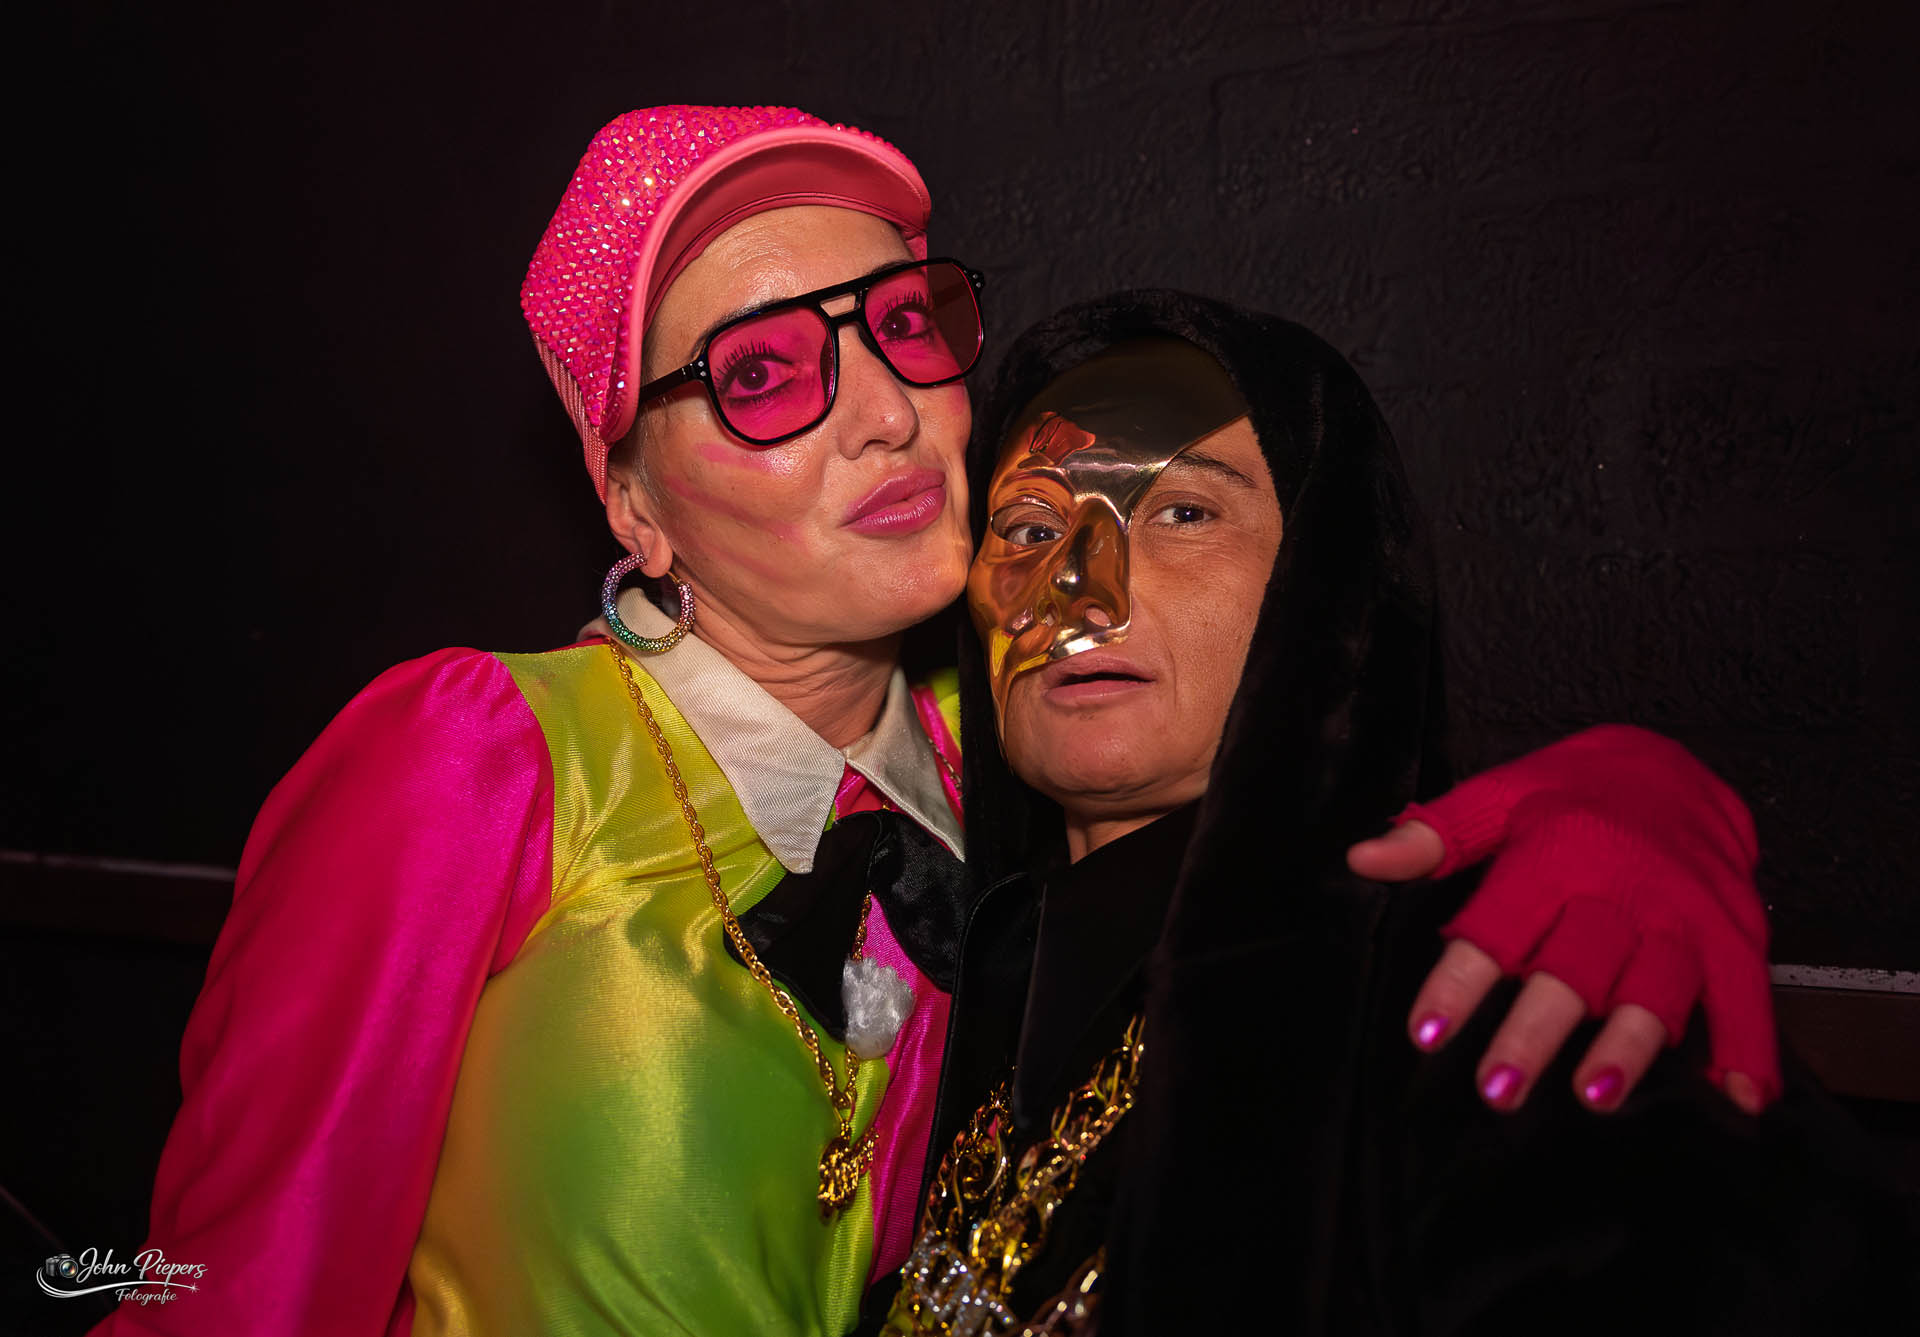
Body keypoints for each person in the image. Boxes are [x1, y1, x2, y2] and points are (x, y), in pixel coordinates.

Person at [103, 110, 1782, 1337]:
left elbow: (1314, 753)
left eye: (903, 326)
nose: (888, 412)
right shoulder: (479, 753)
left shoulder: (1019, 768)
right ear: (635, 506)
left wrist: (1637, 793)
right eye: (764, 374)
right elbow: (219, 1291)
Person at [876, 291, 1910, 1336]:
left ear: (1318, 586)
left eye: (1185, 513)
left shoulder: (1465, 985)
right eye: (1029, 526)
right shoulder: (949, 972)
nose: (1078, 585)